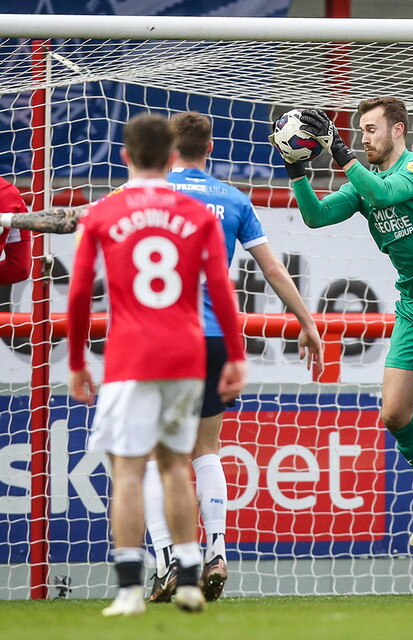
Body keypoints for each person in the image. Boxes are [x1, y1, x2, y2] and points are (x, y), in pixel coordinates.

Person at [271, 97, 413, 575]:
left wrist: (339, 155)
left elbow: (386, 194)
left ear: (398, 130)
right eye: (359, 130)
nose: (364, 137)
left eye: (371, 129)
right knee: (393, 413)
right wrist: (295, 170)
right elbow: (315, 217)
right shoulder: (363, 183)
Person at [67, 113, 247, 616]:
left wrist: (78, 359)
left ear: (125, 156)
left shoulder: (106, 211)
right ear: (172, 158)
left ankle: (129, 589)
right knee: (175, 464)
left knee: (129, 468)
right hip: (187, 354)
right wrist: (234, 354)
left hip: (130, 356)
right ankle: (190, 578)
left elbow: (80, 292)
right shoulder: (198, 215)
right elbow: (222, 291)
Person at [143, 112, 323, 604]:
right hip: (217, 337)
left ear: (170, 148)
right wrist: (307, 322)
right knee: (207, 449)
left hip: (163, 337)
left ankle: (166, 561)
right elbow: (272, 269)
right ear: (211, 146)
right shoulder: (234, 199)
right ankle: (218, 549)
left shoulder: (147, 194)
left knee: (161, 456)